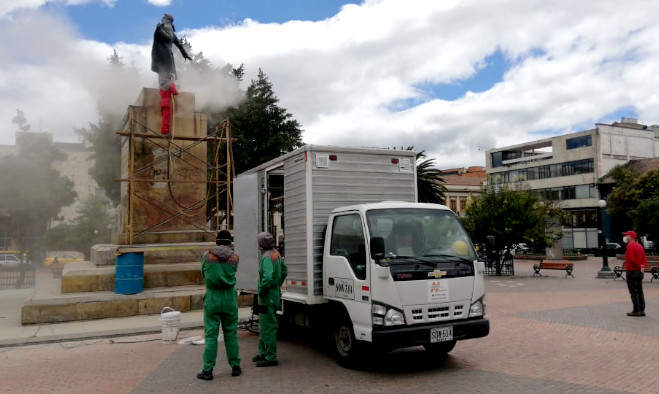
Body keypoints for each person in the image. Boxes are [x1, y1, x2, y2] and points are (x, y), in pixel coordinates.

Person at [197, 230, 241, 381]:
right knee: (231, 334)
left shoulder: (206, 256)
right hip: (229, 297)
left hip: (213, 297)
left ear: (216, 242)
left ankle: (208, 370)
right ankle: (235, 366)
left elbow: (203, 273)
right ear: (230, 243)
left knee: (211, 335)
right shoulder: (235, 257)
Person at [253, 232, 287, 367]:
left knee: (268, 327)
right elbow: (284, 271)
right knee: (264, 324)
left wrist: (261, 290)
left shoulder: (266, 258)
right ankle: (263, 353)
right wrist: (277, 284)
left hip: (267, 296)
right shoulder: (276, 254)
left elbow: (267, 278)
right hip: (273, 294)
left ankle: (271, 357)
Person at [151, 14, 192, 81]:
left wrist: (159, 30)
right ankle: (166, 88)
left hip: (164, 55)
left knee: (164, 74)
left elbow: (168, 37)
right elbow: (179, 45)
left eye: (164, 17)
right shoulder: (170, 30)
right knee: (166, 74)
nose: (162, 19)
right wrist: (185, 55)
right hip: (166, 55)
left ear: (168, 20)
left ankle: (166, 88)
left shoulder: (167, 27)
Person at [622, 230, 647, 317]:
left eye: (626, 235)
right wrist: (642, 267)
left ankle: (636, 310)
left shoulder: (630, 246)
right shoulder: (640, 246)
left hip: (632, 271)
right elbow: (644, 258)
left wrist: (638, 266)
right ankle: (642, 309)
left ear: (631, 237)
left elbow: (632, 259)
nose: (625, 237)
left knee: (633, 291)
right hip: (639, 272)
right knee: (640, 290)